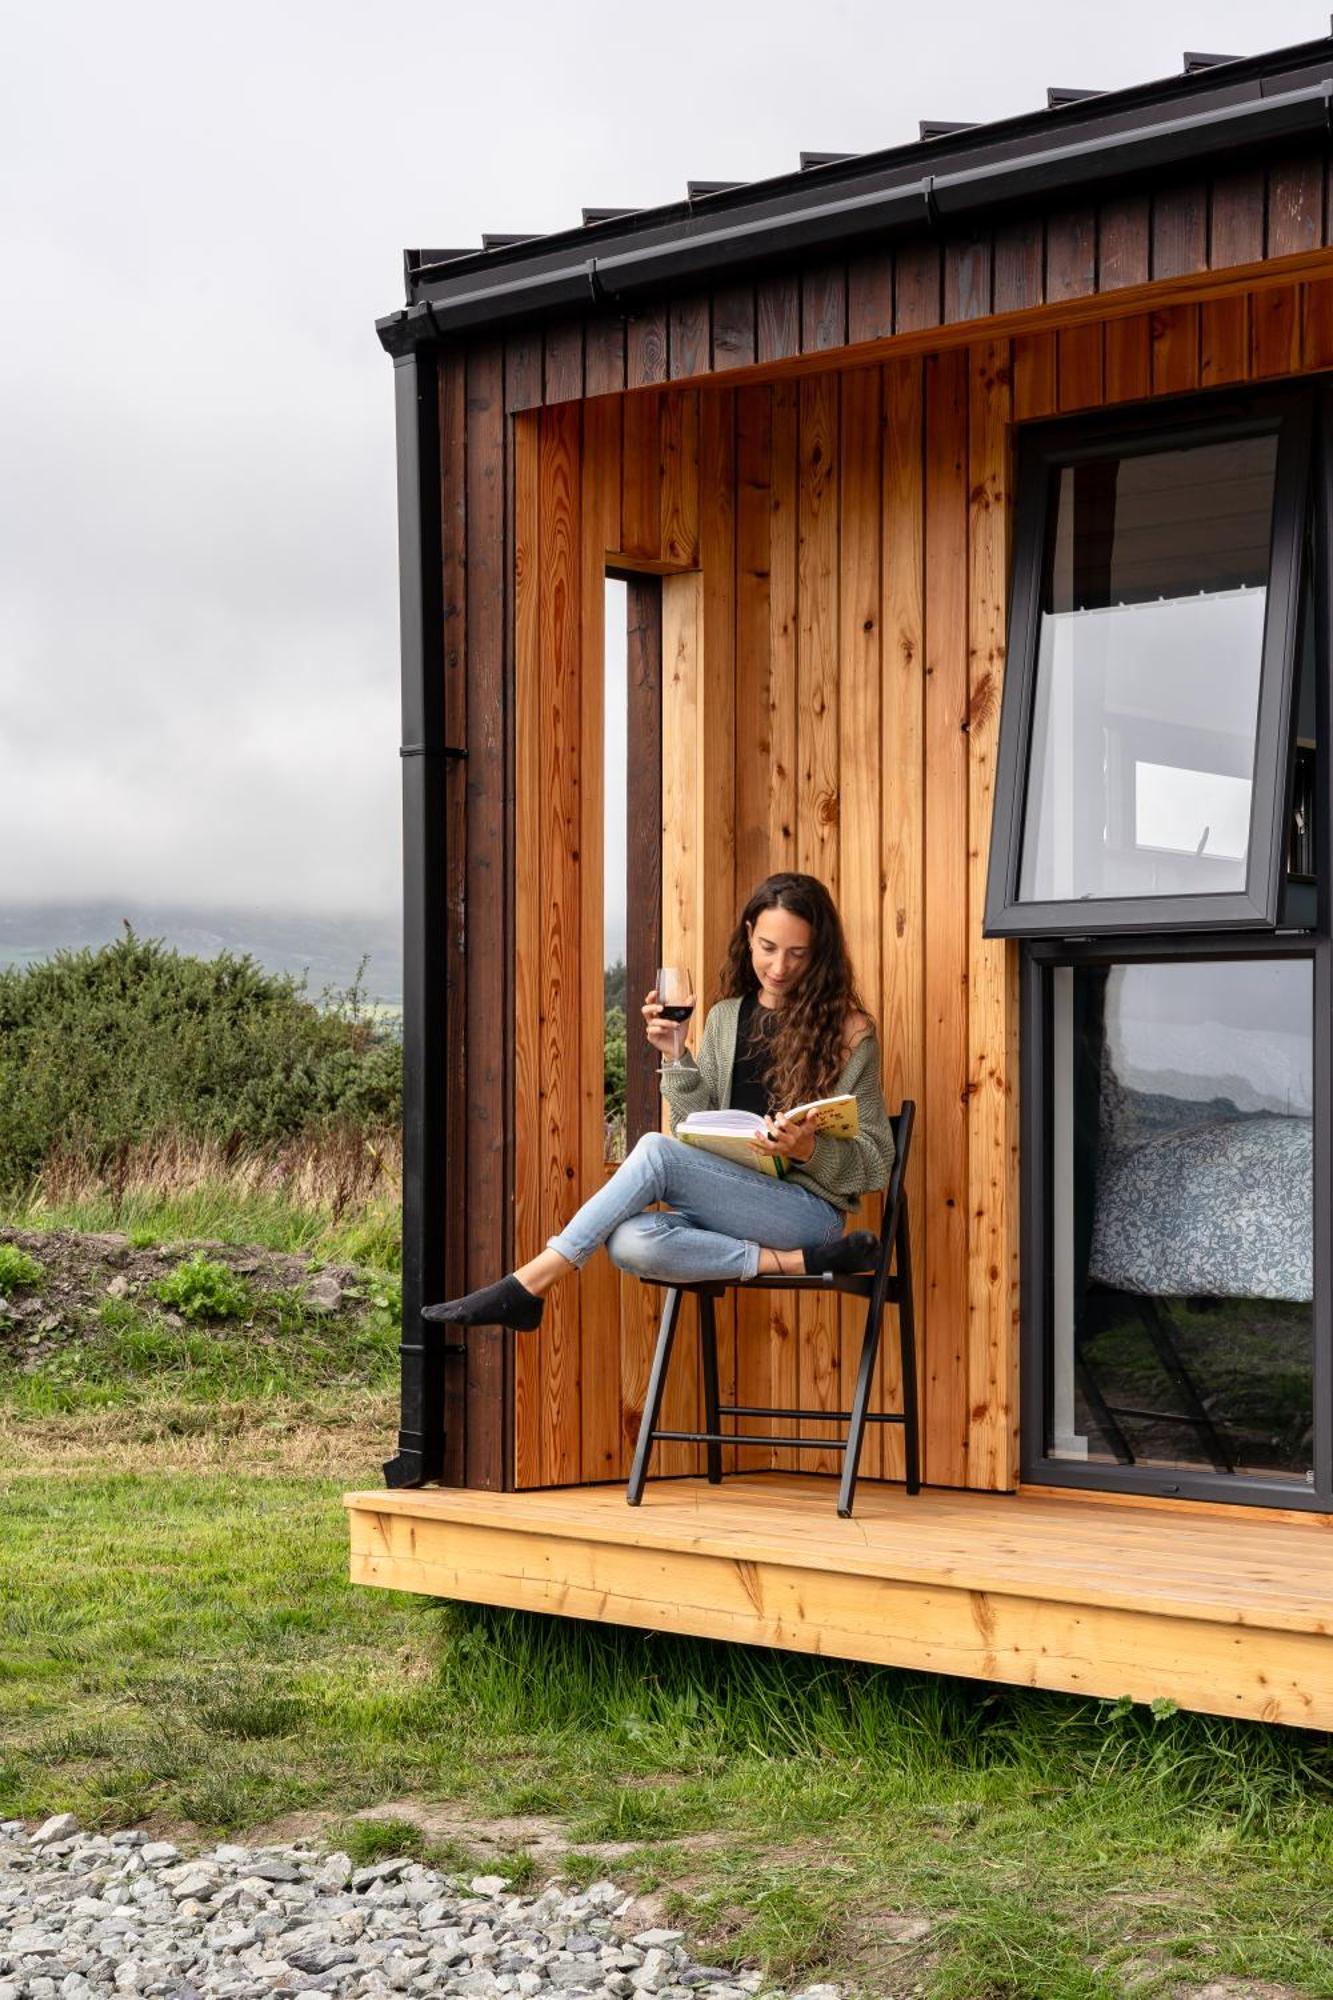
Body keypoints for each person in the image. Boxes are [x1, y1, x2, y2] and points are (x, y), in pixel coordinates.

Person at [424, 872, 897, 1332]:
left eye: (798, 954)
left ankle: (528, 1285)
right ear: (750, 935)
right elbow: (698, 1129)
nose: (779, 968)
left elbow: (876, 1165)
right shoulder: (727, 1018)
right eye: (769, 949)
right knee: (631, 1243)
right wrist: (676, 1055)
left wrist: (806, 1150)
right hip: (735, 1206)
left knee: (654, 1150)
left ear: (820, 954)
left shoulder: (850, 1034)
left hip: (809, 1214)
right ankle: (794, 1264)